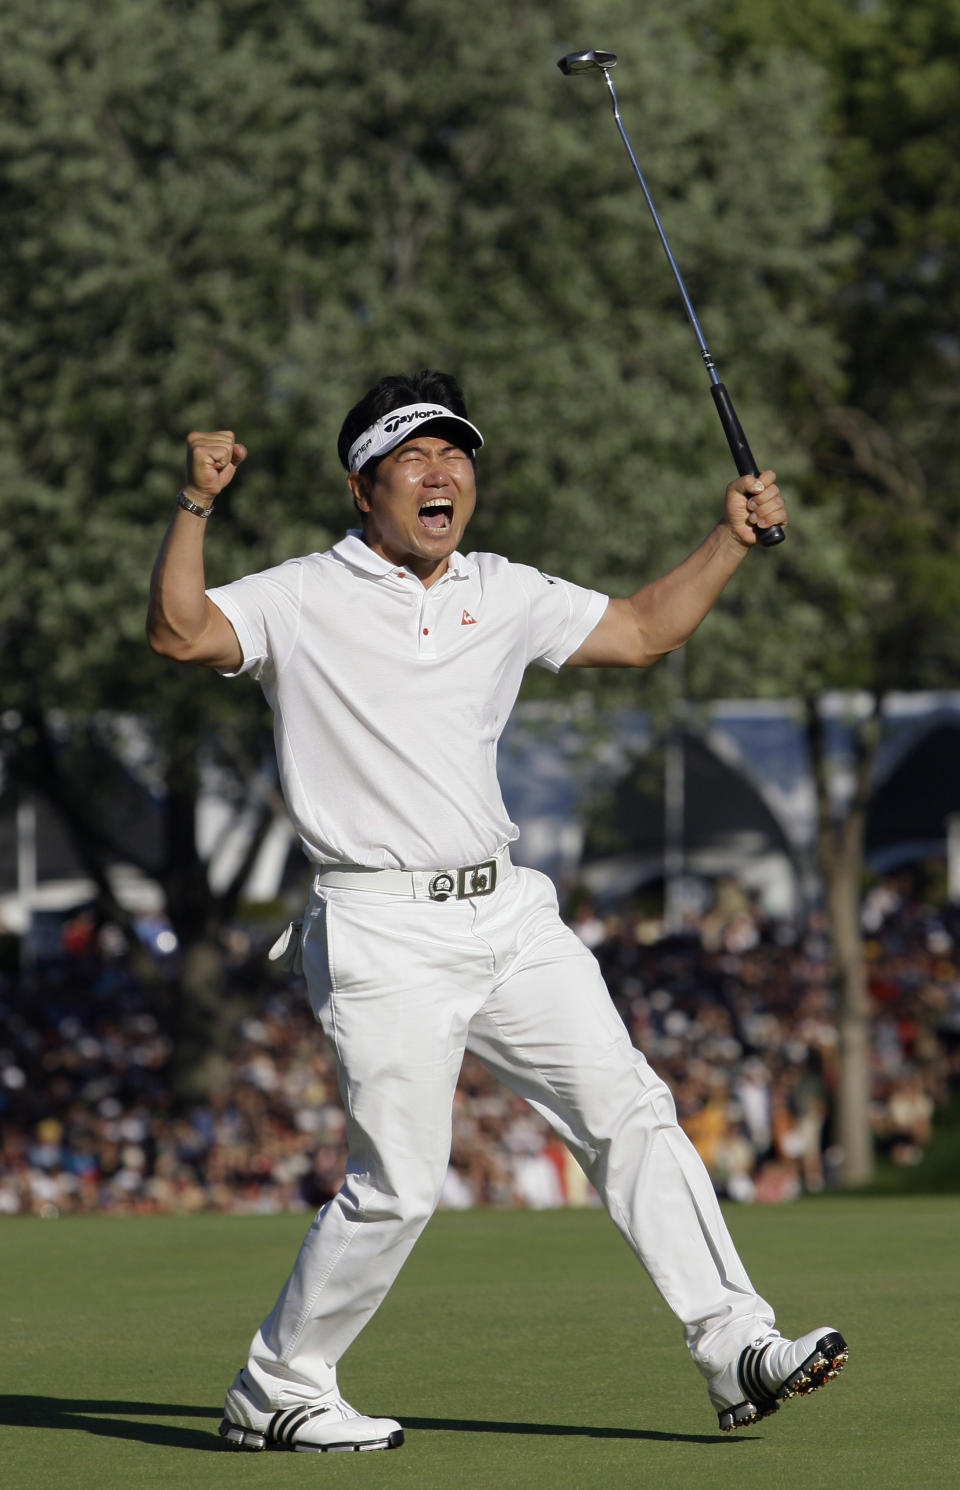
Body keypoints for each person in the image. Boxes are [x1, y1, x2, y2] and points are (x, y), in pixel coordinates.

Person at [147, 369, 847, 1454]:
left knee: (631, 1110)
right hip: (379, 925)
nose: (443, 474)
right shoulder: (298, 593)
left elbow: (642, 630)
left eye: (457, 456)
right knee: (399, 1186)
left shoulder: (502, 587)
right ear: (362, 486)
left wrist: (729, 541)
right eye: (415, 457)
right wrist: (195, 505)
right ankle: (277, 1383)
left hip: (508, 912)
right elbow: (182, 632)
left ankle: (735, 1342)